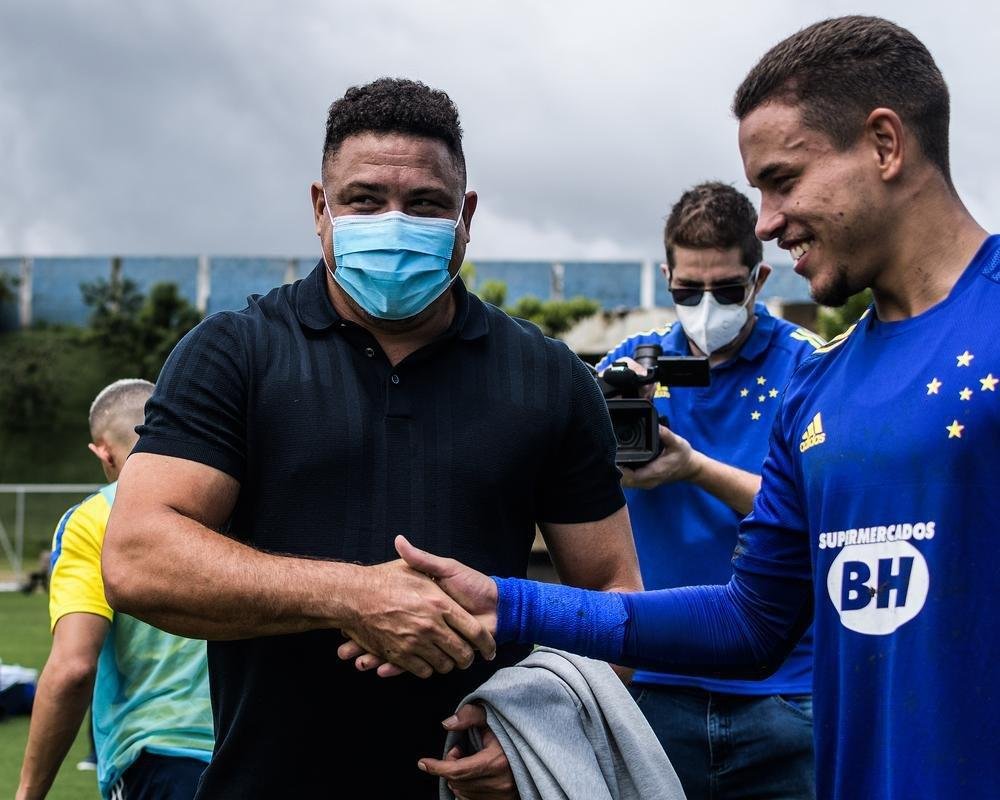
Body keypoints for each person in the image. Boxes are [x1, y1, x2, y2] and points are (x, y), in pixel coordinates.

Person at [348, 16, 999, 800]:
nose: (764, 221)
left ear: (886, 145)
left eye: (783, 179)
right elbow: (748, 624)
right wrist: (509, 600)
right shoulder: (819, 387)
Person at [101, 78, 642, 797]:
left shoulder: (548, 376)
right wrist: (351, 595)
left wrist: (544, 731)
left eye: (424, 204)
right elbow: (138, 557)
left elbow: (612, 590)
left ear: (466, 216)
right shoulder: (234, 352)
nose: (394, 223)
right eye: (364, 200)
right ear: (321, 209)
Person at [594, 182, 821, 799]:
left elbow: (816, 509)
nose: (705, 306)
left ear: (759, 278)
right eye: (687, 291)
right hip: (653, 682)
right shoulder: (624, 369)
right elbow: (566, 487)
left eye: (725, 290)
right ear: (666, 275)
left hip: (784, 691)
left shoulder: (809, 366)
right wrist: (604, 437)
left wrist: (695, 469)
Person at [17, 379, 214, 800]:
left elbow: (73, 669)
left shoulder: (93, 519)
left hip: (159, 757)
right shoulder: (231, 500)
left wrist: (28, 792)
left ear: (101, 452)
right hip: (257, 754)